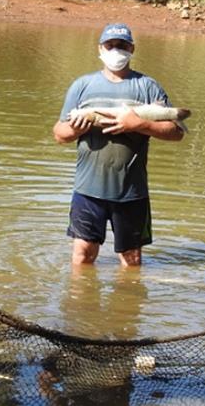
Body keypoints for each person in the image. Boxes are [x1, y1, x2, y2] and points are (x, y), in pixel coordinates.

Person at [52, 23, 184, 267]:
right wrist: (76, 128)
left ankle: (129, 300)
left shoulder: (148, 87)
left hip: (132, 192)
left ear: (132, 48)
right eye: (110, 45)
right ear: (100, 48)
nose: (116, 50)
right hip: (88, 189)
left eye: (122, 45)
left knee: (132, 260)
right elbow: (59, 134)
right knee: (82, 256)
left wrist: (138, 124)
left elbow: (176, 132)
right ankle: (82, 303)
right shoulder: (82, 86)